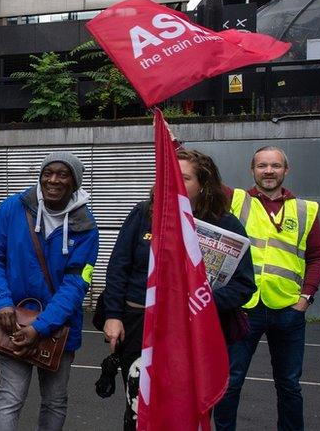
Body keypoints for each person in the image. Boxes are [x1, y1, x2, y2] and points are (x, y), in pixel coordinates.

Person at [103, 148, 255, 431]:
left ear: (204, 184)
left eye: (184, 178)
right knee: (140, 407)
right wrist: (113, 315)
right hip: (141, 325)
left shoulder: (225, 223)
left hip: (195, 331)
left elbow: (244, 285)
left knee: (187, 411)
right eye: (168, 176)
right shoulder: (143, 213)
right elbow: (118, 267)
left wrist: (201, 301)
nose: (174, 183)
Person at [0, 152, 99, 431]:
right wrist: (0, 301)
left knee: (55, 401)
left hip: (59, 329)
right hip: (12, 321)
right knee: (10, 396)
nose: (53, 180)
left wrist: (41, 327)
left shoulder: (86, 226)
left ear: (75, 182)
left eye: (63, 174)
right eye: (48, 172)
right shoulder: (13, 208)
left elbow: (76, 284)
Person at [214, 146, 320, 431]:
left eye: (275, 166)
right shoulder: (236, 200)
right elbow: (200, 180)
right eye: (262, 165)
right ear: (252, 170)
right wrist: (176, 147)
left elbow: (317, 256)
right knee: (230, 382)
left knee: (289, 385)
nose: (268, 171)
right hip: (244, 308)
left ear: (286, 170)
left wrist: (306, 297)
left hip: (288, 310)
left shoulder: (305, 209)